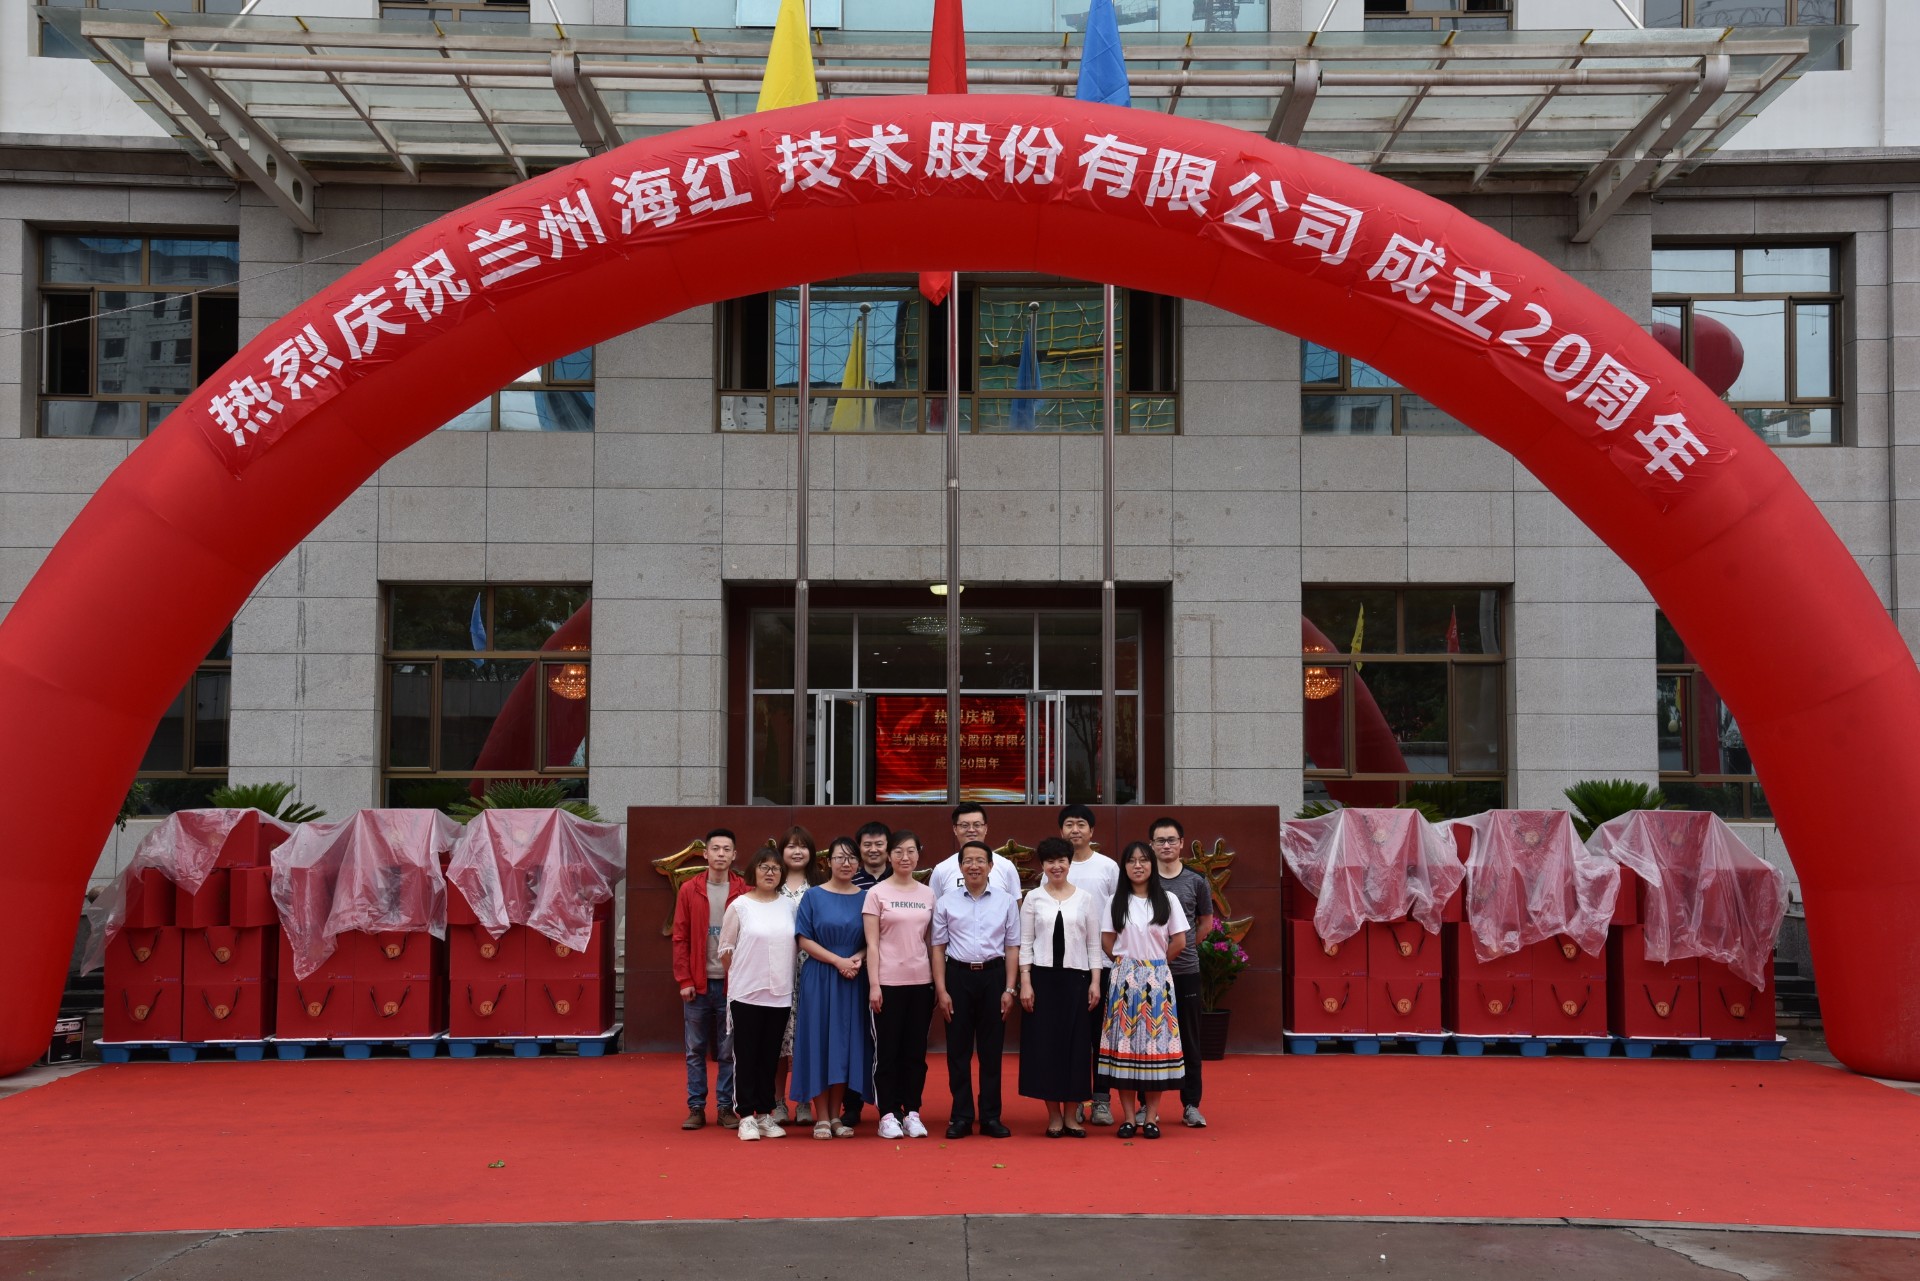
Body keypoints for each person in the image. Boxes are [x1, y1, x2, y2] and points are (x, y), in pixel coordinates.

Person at [1098, 841, 1188, 1140]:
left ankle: (1150, 1118)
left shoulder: (1168, 900)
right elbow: (1107, 942)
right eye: (1132, 861)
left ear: (1152, 864)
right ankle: (1127, 1119)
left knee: (1154, 1049)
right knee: (1124, 1049)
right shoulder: (1115, 901)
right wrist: (1129, 967)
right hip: (1124, 980)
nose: (1138, 866)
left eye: (1144, 860)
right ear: (1124, 867)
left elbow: (1179, 941)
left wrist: (1154, 967)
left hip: (1157, 980)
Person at [931, 841, 1021, 1139]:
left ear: (990, 866)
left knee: (991, 1051)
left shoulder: (1006, 901)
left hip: (994, 977)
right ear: (960, 867)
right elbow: (938, 947)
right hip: (958, 976)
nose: (974, 866)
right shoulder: (946, 902)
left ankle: (991, 1116)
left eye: (980, 860)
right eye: (968, 861)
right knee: (957, 1050)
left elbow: (1012, 946)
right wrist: (942, 990)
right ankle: (961, 1116)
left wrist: (1010, 988)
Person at [1017, 836, 1103, 1138]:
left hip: (1076, 981)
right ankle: (1054, 1116)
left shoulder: (1085, 899)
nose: (1056, 866)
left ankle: (1071, 1116)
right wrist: (1025, 982)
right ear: (1043, 865)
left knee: (1077, 1048)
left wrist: (1095, 981)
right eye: (1050, 861)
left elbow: (1093, 944)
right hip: (1042, 981)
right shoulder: (1033, 899)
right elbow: (1025, 943)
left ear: (1069, 863)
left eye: (1061, 861)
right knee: (1045, 1047)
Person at [790, 840, 873, 1139]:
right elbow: (803, 939)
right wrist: (838, 961)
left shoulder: (867, 897)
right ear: (828, 862)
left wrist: (857, 959)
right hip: (820, 976)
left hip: (852, 978)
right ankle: (821, 1117)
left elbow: (874, 939)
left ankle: (836, 1115)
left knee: (844, 1044)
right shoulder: (813, 896)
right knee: (818, 1042)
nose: (846, 863)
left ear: (859, 863)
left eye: (851, 858)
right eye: (840, 857)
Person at [717, 846, 799, 1141]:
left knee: (770, 1056)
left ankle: (765, 1113)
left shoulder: (789, 906)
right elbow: (726, 951)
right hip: (747, 994)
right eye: (764, 867)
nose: (770, 872)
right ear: (753, 871)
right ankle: (746, 1116)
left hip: (780, 994)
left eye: (775, 868)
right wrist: (746, 974)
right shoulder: (740, 906)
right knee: (746, 1055)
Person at [862, 829, 938, 1140]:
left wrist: (937, 984)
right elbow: (872, 944)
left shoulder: (928, 894)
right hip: (888, 983)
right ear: (889, 856)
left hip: (921, 983)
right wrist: (874, 985)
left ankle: (913, 1112)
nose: (905, 857)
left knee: (915, 1053)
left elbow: (932, 943)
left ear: (919, 854)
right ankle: (888, 1114)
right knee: (887, 1052)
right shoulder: (876, 893)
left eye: (911, 851)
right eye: (898, 851)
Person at [671, 827, 746, 1131]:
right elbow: (680, 937)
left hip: (732, 984)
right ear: (705, 853)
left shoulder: (743, 891)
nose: (720, 854)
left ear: (734, 855)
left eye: (726, 849)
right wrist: (684, 979)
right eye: (715, 848)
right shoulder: (690, 890)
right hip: (698, 984)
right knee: (695, 1050)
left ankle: (726, 1107)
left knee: (728, 1052)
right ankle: (696, 1107)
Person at [1058, 803, 1120, 1126]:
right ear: (1061, 831)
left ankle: (1101, 1100)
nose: (1075, 830)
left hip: (1104, 965)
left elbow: (1119, 913)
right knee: (1074, 1038)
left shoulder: (1107, 867)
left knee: (1101, 1037)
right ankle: (1076, 1100)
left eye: (1081, 824)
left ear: (1092, 831)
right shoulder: (1056, 867)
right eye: (1069, 824)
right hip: (1068, 966)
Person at [1150, 815, 1214, 1129]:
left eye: (1171, 840)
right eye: (1160, 840)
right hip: (1148, 973)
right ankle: (1146, 1107)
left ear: (1181, 844)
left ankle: (1191, 1105)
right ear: (1151, 845)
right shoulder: (1143, 880)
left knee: (1189, 1040)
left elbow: (1205, 923)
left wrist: (1182, 947)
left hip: (1185, 971)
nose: (1166, 845)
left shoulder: (1196, 881)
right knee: (1148, 1039)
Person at [774, 826, 825, 1126]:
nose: (797, 851)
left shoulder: (820, 886)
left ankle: (804, 1101)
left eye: (803, 846)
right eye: (791, 846)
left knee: (807, 1037)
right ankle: (778, 1102)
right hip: (778, 972)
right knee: (780, 1040)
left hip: (812, 972)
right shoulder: (772, 885)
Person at [926, 803, 1023, 901]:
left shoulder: (1006, 867)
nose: (971, 830)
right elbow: (934, 907)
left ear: (985, 828)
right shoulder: (941, 871)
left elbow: (1015, 907)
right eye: (965, 825)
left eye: (977, 825)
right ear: (955, 829)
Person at [851, 820, 892, 889]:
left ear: (888, 846)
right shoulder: (850, 882)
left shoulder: (899, 879)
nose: (873, 850)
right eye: (867, 845)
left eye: (879, 844)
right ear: (859, 848)